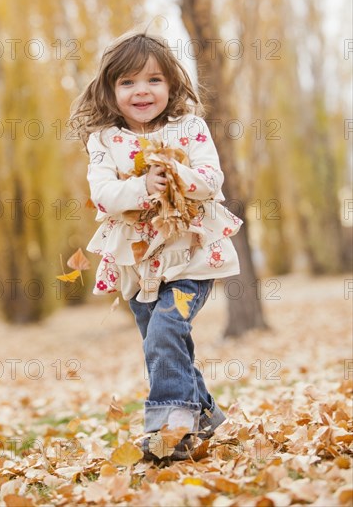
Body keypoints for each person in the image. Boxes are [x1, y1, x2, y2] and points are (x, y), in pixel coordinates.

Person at [70, 31, 243, 462]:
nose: (141, 90)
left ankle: (170, 427)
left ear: (171, 86)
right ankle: (204, 414)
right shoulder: (104, 140)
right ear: (109, 91)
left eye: (153, 80)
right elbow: (104, 194)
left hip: (190, 254)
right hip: (137, 261)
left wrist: (176, 175)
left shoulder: (189, 128)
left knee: (167, 327)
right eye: (127, 82)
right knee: (164, 342)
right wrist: (143, 185)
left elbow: (211, 181)